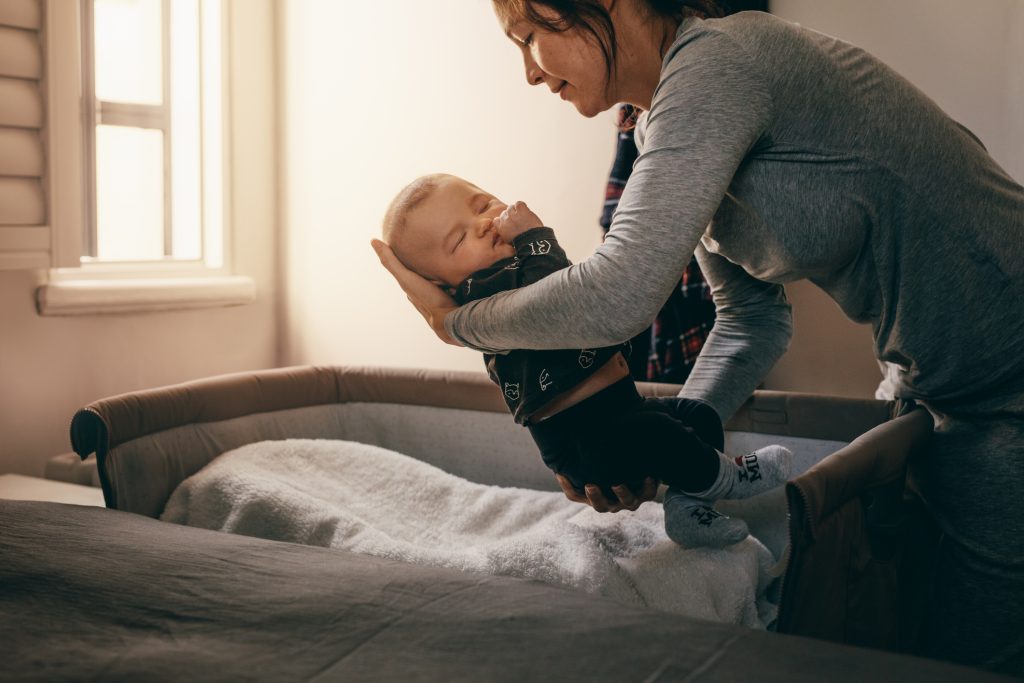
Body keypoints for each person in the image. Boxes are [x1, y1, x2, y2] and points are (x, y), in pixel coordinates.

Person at [371, 2, 1024, 673]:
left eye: (529, 37)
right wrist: (677, 443)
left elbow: (618, 295)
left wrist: (456, 323)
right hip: (934, 375)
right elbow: (750, 316)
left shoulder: (721, 62)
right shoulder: (664, 125)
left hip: (1009, 374)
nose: (530, 73)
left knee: (976, 654)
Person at [380, 172, 792, 548]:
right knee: (658, 433)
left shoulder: (515, 270)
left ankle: (688, 509)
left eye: (482, 204)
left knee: (696, 415)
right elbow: (558, 295)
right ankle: (729, 477)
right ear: (442, 284)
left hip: (618, 416)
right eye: (459, 240)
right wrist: (535, 234)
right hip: (586, 446)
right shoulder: (482, 292)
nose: (485, 223)